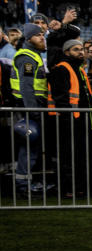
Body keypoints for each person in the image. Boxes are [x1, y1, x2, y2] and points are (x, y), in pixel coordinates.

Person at [46, 38, 92, 196]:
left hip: (79, 119)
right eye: (76, 49)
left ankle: (78, 187)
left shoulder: (79, 69)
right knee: (68, 157)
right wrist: (69, 117)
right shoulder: (61, 69)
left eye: (81, 49)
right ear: (66, 52)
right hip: (67, 120)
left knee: (79, 156)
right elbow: (61, 97)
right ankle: (67, 188)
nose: (81, 52)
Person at [10, 23, 49, 195]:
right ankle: (23, 186)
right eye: (38, 35)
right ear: (28, 38)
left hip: (31, 108)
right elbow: (27, 88)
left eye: (43, 34)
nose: (42, 37)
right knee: (29, 148)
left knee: (31, 149)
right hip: (29, 109)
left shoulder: (33, 55)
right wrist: (34, 111)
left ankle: (26, 184)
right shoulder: (27, 57)